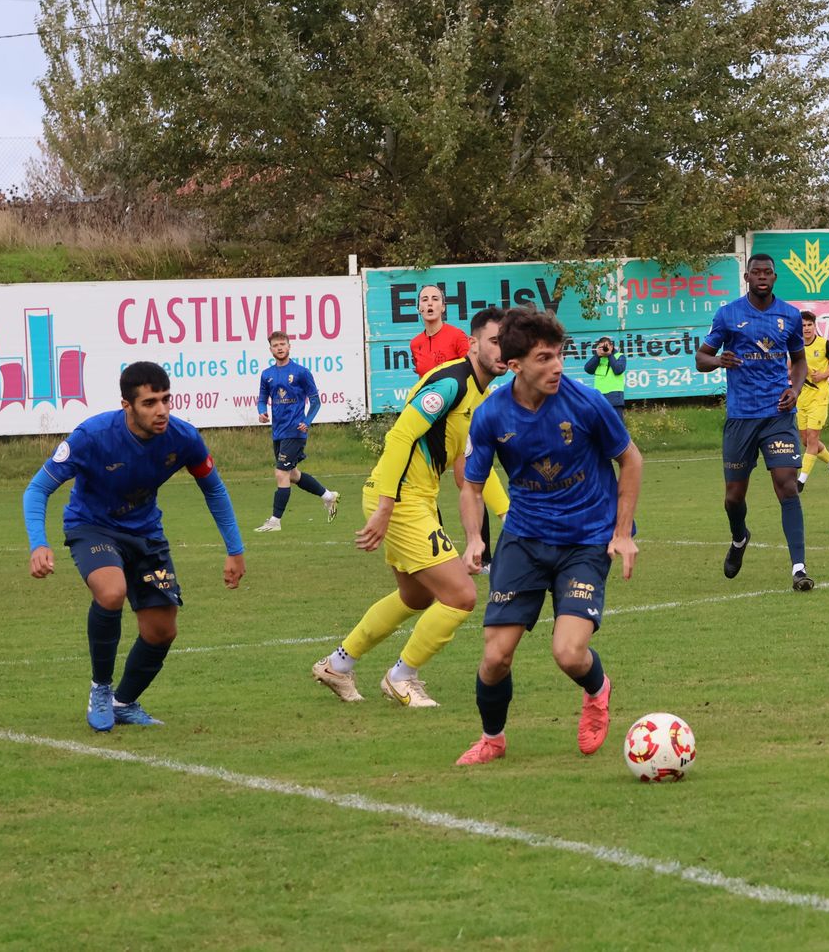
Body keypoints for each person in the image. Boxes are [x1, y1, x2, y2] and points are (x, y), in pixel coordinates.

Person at [453, 307, 642, 766]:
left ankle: (597, 690)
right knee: (495, 656)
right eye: (543, 358)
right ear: (515, 365)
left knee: (568, 653)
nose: (556, 366)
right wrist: (475, 537)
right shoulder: (492, 414)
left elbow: (631, 460)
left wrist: (622, 533)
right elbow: (471, 487)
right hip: (525, 537)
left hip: (585, 539)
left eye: (558, 355)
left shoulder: (586, 402)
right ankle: (492, 739)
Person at [23, 361, 246, 731]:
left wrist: (235, 549)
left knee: (162, 631)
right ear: (127, 405)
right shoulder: (92, 436)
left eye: (165, 400)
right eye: (149, 403)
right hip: (92, 528)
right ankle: (100, 688)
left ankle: (123, 702)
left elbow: (214, 489)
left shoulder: (184, 438)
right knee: (111, 592)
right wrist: (38, 543)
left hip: (145, 534)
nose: (161, 411)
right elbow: (38, 489)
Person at [312, 308, 512, 708]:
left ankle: (337, 665)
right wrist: (386, 506)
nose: (503, 349)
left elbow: (468, 471)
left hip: (417, 497)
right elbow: (401, 435)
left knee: (415, 597)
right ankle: (401, 677)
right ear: (472, 344)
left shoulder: (482, 396)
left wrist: (508, 512)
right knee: (461, 596)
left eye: (508, 342)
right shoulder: (452, 382)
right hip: (400, 498)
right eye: (494, 341)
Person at [695, 254, 813, 591]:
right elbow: (701, 357)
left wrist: (795, 389)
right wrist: (718, 360)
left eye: (768, 272)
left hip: (777, 414)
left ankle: (799, 569)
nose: (762, 277)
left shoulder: (789, 315)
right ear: (746, 277)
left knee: (786, 483)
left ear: (775, 277)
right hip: (741, 417)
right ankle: (739, 538)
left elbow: (800, 361)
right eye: (756, 272)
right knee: (734, 497)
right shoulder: (728, 314)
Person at [254, 330, 339, 532]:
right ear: (271, 349)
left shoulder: (301, 372)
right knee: (292, 474)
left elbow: (316, 401)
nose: (280, 348)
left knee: (280, 473)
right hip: (279, 431)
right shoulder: (267, 374)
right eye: (276, 345)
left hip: (296, 431)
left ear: (289, 346)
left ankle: (275, 521)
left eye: (283, 344)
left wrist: (307, 421)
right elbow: (261, 398)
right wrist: (261, 412)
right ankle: (328, 496)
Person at [795, 310, 829, 492]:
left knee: (813, 438)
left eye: (809, 325)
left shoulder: (825, 345)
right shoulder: (796, 347)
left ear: (815, 326)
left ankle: (800, 481)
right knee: (807, 441)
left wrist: (823, 375)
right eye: (803, 326)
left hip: (819, 398)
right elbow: (790, 368)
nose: (806, 328)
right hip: (802, 399)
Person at [409, 283, 472, 376]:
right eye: (425, 300)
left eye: (435, 299)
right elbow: (422, 380)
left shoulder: (457, 336)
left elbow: (472, 373)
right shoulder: (415, 343)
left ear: (443, 307)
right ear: (419, 308)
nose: (430, 303)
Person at [583, 336, 628, 409]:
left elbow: (618, 370)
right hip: (599, 396)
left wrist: (609, 355)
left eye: (606, 346)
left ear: (611, 346)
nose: (604, 349)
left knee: (615, 420)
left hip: (615, 396)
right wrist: (597, 356)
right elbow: (588, 369)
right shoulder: (598, 358)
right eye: (601, 347)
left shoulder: (619, 356)